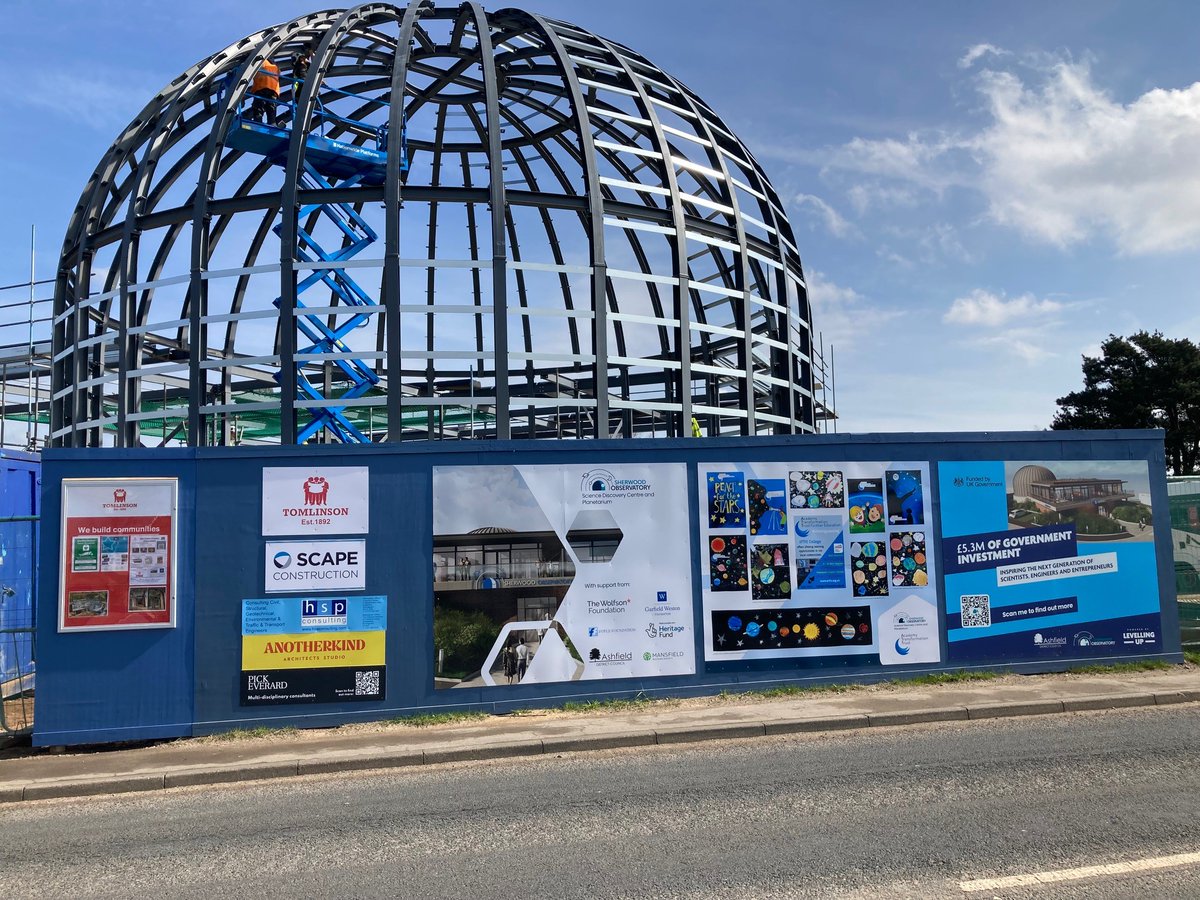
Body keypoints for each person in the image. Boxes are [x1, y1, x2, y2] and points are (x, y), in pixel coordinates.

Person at [249, 59, 281, 126]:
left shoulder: (261, 61)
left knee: (258, 107)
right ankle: (272, 123)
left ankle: (258, 123)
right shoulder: (276, 67)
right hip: (273, 91)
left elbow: (254, 76)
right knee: (271, 108)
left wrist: (251, 91)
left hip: (262, 87)